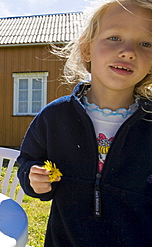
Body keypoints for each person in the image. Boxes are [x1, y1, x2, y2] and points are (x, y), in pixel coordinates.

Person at [17, 0, 152, 246]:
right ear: (87, 49)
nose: (129, 51)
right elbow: (27, 160)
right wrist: (33, 177)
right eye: (114, 38)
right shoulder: (55, 117)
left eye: (145, 43)